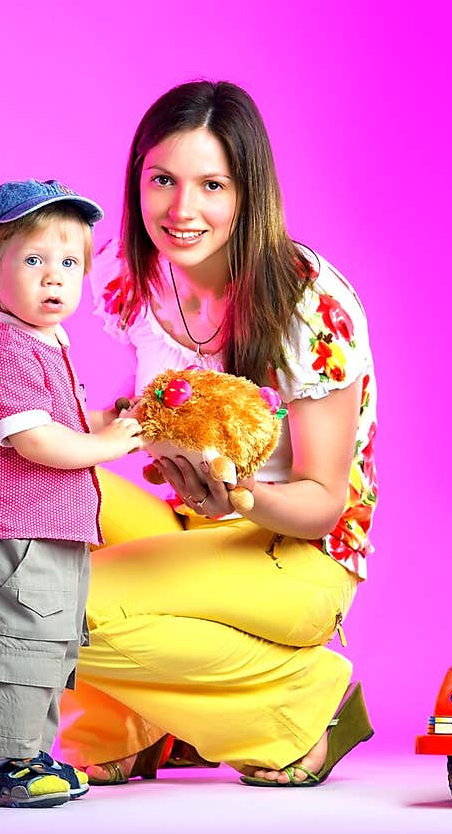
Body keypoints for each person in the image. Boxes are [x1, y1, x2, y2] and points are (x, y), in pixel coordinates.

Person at [57, 80, 378, 788]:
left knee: (59, 604)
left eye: (211, 185)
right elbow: (146, 411)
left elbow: (325, 500)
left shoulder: (308, 304)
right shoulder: (128, 273)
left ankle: (301, 703)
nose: (181, 209)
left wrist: (238, 500)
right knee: (26, 535)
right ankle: (124, 729)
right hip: (184, 521)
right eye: (163, 180)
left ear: (248, 192)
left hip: (294, 550)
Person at [0, 178, 146, 808]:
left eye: (70, 263)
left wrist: (106, 420)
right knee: (16, 643)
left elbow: (63, 424)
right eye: (34, 260)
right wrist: (109, 447)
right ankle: (8, 764)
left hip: (49, 529)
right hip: (13, 533)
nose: (54, 278)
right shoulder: (7, 347)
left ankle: (31, 752)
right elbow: (37, 440)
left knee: (48, 645)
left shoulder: (47, 343)